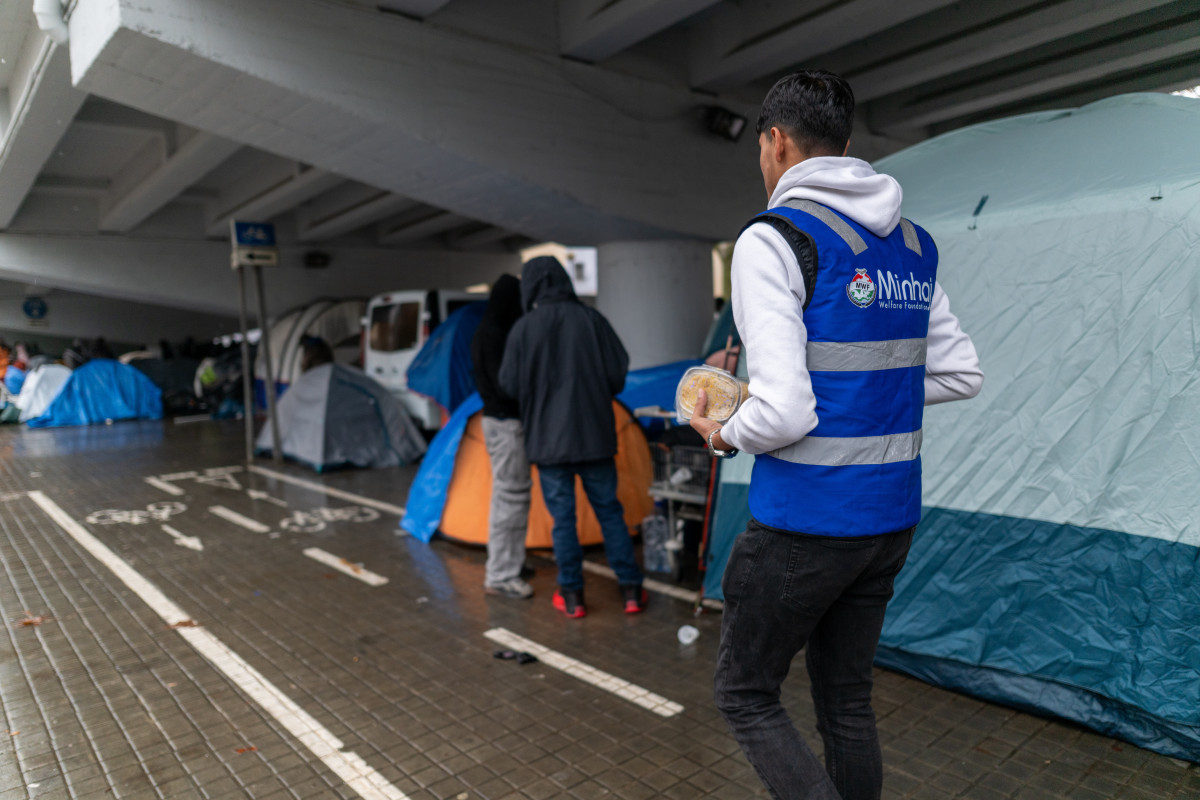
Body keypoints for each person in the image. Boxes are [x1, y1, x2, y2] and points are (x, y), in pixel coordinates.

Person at [689, 71, 983, 800]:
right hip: (890, 523)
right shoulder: (913, 245)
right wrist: (855, 397)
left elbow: (785, 413)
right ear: (846, 146)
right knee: (846, 703)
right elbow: (960, 374)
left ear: (775, 142)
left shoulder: (776, 238)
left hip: (804, 524)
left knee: (746, 695)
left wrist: (724, 431)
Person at [499, 256, 646, 618]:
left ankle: (573, 596)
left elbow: (508, 384)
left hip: (548, 444)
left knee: (562, 520)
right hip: (594, 436)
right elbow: (618, 376)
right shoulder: (592, 320)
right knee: (610, 512)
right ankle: (630, 591)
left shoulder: (523, 328)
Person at [471, 275, 534, 600]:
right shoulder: (496, 335)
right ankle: (501, 575)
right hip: (506, 425)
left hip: (495, 422)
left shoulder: (486, 330)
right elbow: (505, 387)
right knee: (511, 498)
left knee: (507, 497)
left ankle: (509, 564)